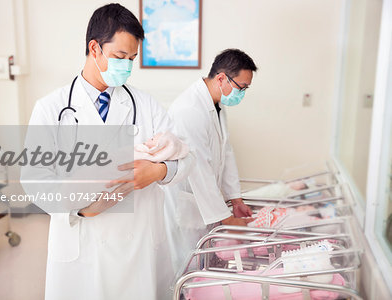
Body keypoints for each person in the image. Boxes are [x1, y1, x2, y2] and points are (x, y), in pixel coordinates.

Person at [21, 4, 191, 300]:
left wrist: (158, 171)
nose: (126, 65)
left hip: (137, 244)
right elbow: (34, 179)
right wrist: (82, 209)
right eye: (120, 57)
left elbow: (185, 157)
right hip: (83, 240)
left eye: (132, 59)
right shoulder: (51, 108)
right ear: (94, 48)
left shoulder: (145, 104)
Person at [164, 49, 257, 273]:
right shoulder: (190, 110)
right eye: (241, 87)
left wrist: (235, 198)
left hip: (203, 204)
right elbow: (199, 168)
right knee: (186, 266)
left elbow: (226, 151)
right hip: (187, 204)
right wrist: (225, 219)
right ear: (222, 78)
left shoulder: (216, 104)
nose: (242, 93)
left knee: (202, 264)